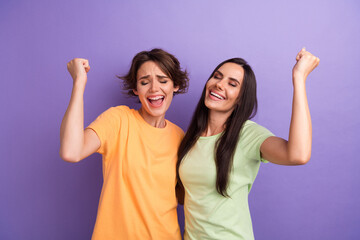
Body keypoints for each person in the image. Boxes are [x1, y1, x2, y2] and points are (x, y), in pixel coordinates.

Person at [176, 48, 319, 240]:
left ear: (241, 98)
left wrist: (299, 78)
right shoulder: (190, 139)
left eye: (232, 84)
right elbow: (188, 196)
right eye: (217, 77)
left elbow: (298, 155)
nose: (219, 84)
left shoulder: (247, 134)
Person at [60, 48, 189, 239]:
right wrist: (79, 82)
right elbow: (71, 151)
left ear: (175, 85)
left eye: (163, 80)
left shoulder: (180, 137)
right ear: (136, 89)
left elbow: (183, 197)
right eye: (145, 82)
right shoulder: (118, 120)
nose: (154, 89)